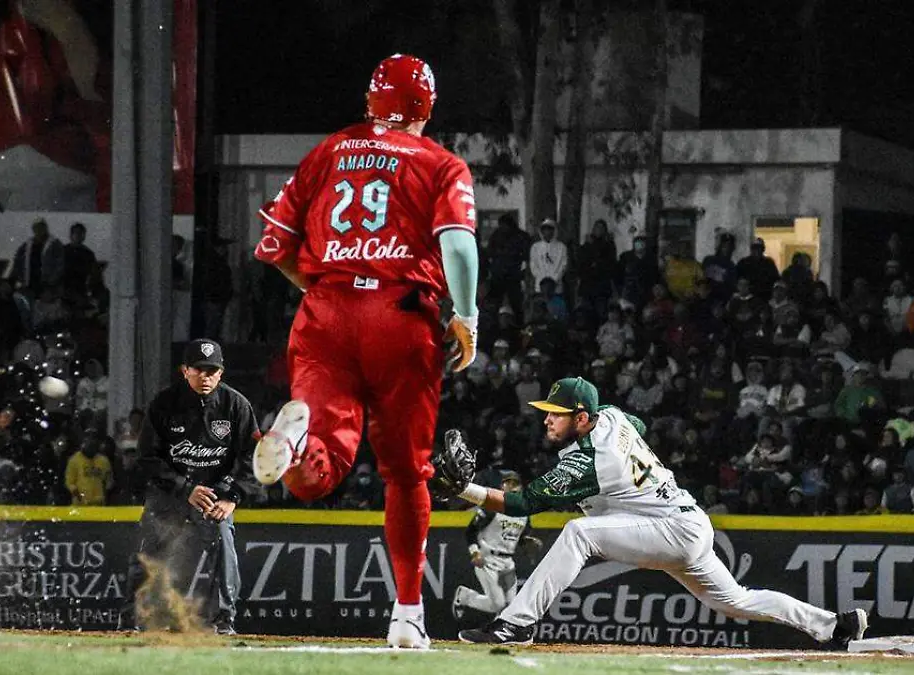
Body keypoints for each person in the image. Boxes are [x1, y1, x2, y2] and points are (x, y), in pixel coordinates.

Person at [250, 55, 479, 649]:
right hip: (401, 318)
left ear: (371, 100)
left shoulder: (331, 149)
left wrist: (326, 290)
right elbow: (457, 245)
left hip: (324, 313)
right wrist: (467, 315)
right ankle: (407, 616)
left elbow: (275, 246)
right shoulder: (442, 163)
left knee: (316, 476)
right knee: (406, 474)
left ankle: (298, 443)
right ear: (426, 106)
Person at [434, 376, 868, 647]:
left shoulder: (586, 462)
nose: (547, 419)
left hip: (672, 528)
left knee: (579, 533)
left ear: (582, 418)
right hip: (687, 521)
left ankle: (516, 625)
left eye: (557, 414)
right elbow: (636, 427)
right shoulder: (613, 416)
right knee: (737, 600)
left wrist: (463, 488)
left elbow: (520, 504)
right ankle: (833, 626)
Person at [124, 339, 259, 635]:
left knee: (224, 545)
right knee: (147, 553)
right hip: (169, 494)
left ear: (221, 373)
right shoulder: (163, 404)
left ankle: (223, 621)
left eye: (212, 370)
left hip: (215, 496)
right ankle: (139, 620)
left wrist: (232, 497)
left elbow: (253, 458)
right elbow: (147, 458)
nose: (205, 376)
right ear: (184, 370)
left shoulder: (236, 406)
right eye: (199, 369)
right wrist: (184, 488)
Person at [451, 471, 542, 620]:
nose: (512, 487)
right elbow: (470, 531)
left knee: (512, 605)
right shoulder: (492, 507)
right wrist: (475, 552)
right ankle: (465, 596)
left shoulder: (524, 514)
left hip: (508, 563)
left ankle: (500, 636)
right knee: (498, 605)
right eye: (508, 483)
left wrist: (526, 541)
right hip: (488, 559)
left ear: (520, 488)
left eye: (515, 484)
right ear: (502, 487)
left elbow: (519, 538)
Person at [64, 434, 113, 506]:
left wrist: (104, 496)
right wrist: (80, 497)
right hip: (80, 506)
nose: (91, 444)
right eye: (88, 442)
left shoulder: (103, 461)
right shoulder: (74, 460)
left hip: (98, 505)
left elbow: (109, 481)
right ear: (83, 443)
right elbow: (69, 482)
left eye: (93, 442)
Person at [529, 218, 569, 293]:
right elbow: (533, 265)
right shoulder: (535, 247)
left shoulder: (561, 247)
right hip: (540, 285)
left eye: (549, 229)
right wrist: (542, 279)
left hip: (556, 285)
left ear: (554, 231)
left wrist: (554, 279)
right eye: (544, 230)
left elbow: (563, 265)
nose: (547, 232)